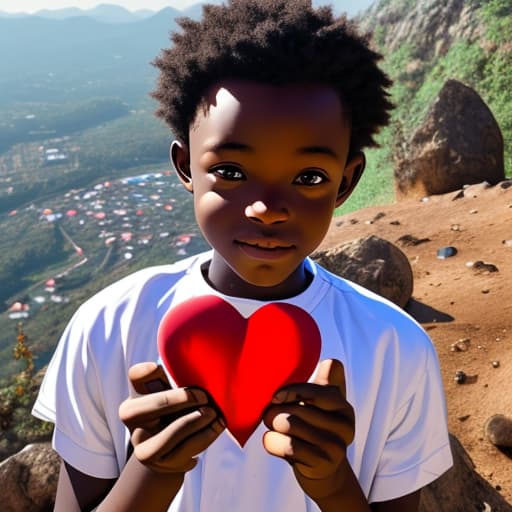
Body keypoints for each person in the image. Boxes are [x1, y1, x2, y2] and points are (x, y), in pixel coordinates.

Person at [32, 1, 453, 511]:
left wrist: (334, 483)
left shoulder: (395, 347)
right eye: (231, 171)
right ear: (186, 166)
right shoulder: (106, 327)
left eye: (310, 178)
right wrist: (150, 475)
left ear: (346, 181)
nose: (267, 208)